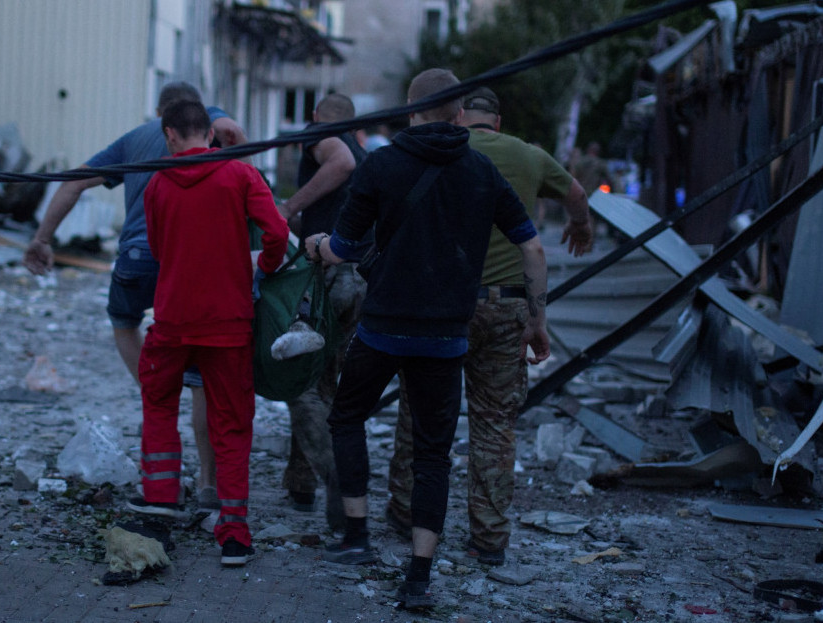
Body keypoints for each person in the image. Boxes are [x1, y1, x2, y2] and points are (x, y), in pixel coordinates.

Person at [303, 69, 550, 609]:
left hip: (384, 328)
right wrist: (535, 319)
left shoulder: (383, 165)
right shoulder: (482, 171)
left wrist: (316, 245)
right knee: (435, 453)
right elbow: (532, 249)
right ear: (460, 114)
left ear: (410, 111)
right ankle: (418, 576)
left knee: (347, 417)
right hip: (445, 337)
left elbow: (344, 248)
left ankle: (358, 535)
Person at [385, 86, 593, 567]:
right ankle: (489, 538)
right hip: (506, 307)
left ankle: (404, 515)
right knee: (495, 425)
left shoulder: (443, 150)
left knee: (418, 414)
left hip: (441, 306)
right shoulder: (528, 154)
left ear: (460, 118)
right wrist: (580, 226)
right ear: (497, 122)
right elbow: (577, 196)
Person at [24, 82, 247, 511]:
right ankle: (207, 486)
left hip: (137, 258)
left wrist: (41, 238)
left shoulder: (133, 140)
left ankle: (156, 390)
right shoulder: (207, 121)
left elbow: (71, 184)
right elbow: (232, 130)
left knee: (123, 321)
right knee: (202, 375)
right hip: (192, 263)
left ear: (163, 120)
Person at [136, 99, 289, 566]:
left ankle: (160, 501)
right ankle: (234, 533)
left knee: (159, 402)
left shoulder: (157, 183)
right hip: (229, 323)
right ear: (210, 133)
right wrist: (262, 267)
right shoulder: (240, 175)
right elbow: (277, 233)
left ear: (169, 135)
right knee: (232, 423)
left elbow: (159, 250)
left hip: (173, 318)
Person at [275, 93, 368, 529]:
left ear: (316, 119)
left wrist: (289, 205)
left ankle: (337, 480)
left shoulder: (321, 138)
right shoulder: (367, 154)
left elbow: (340, 163)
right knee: (323, 378)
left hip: (326, 278)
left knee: (299, 378)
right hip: (357, 280)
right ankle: (301, 483)